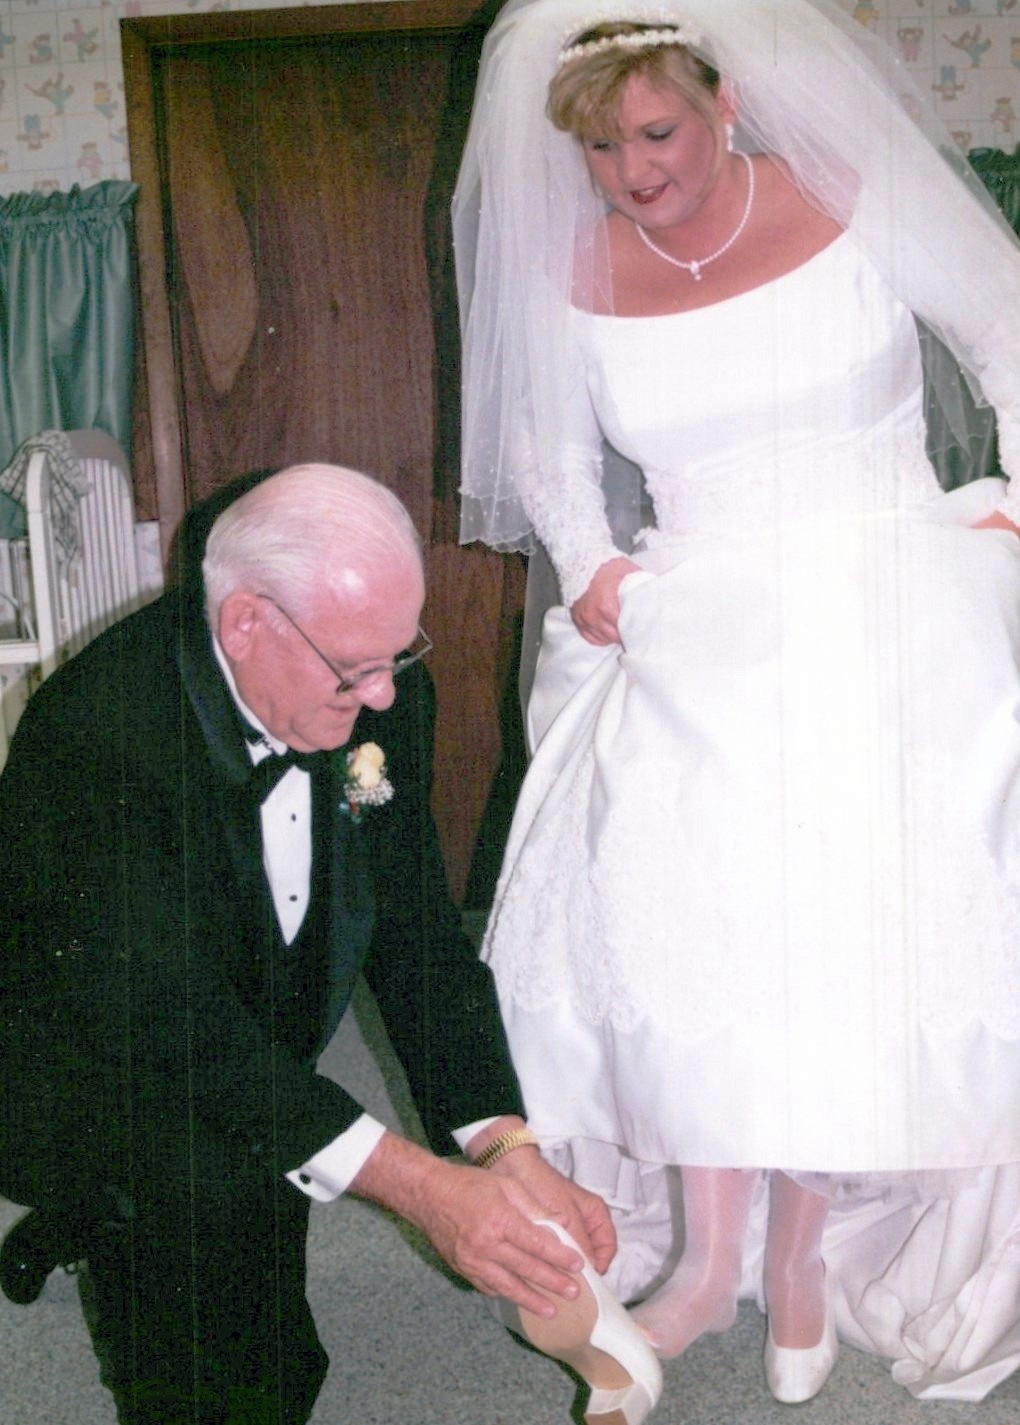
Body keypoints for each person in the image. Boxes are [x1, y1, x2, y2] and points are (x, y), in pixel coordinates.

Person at [453, 0, 1020, 1414]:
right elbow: (546, 447)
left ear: (725, 97)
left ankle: (803, 1248)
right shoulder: (572, 264)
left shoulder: (851, 191)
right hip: (698, 607)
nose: (633, 172)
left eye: (656, 132)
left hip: (892, 595)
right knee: (689, 900)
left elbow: (1006, 321)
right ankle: (711, 1258)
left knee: (844, 911)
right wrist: (588, 562)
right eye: (600, 149)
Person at [0, 462, 617, 1424]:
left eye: (397, 657)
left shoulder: (376, 697)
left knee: (270, 1257)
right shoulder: (95, 740)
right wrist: (420, 1188)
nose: (384, 696)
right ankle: (101, 1215)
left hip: (240, 1027)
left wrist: (504, 1144)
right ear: (246, 623)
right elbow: (174, 1031)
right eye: (354, 668)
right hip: (89, 1066)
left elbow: (417, 936)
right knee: (230, 1379)